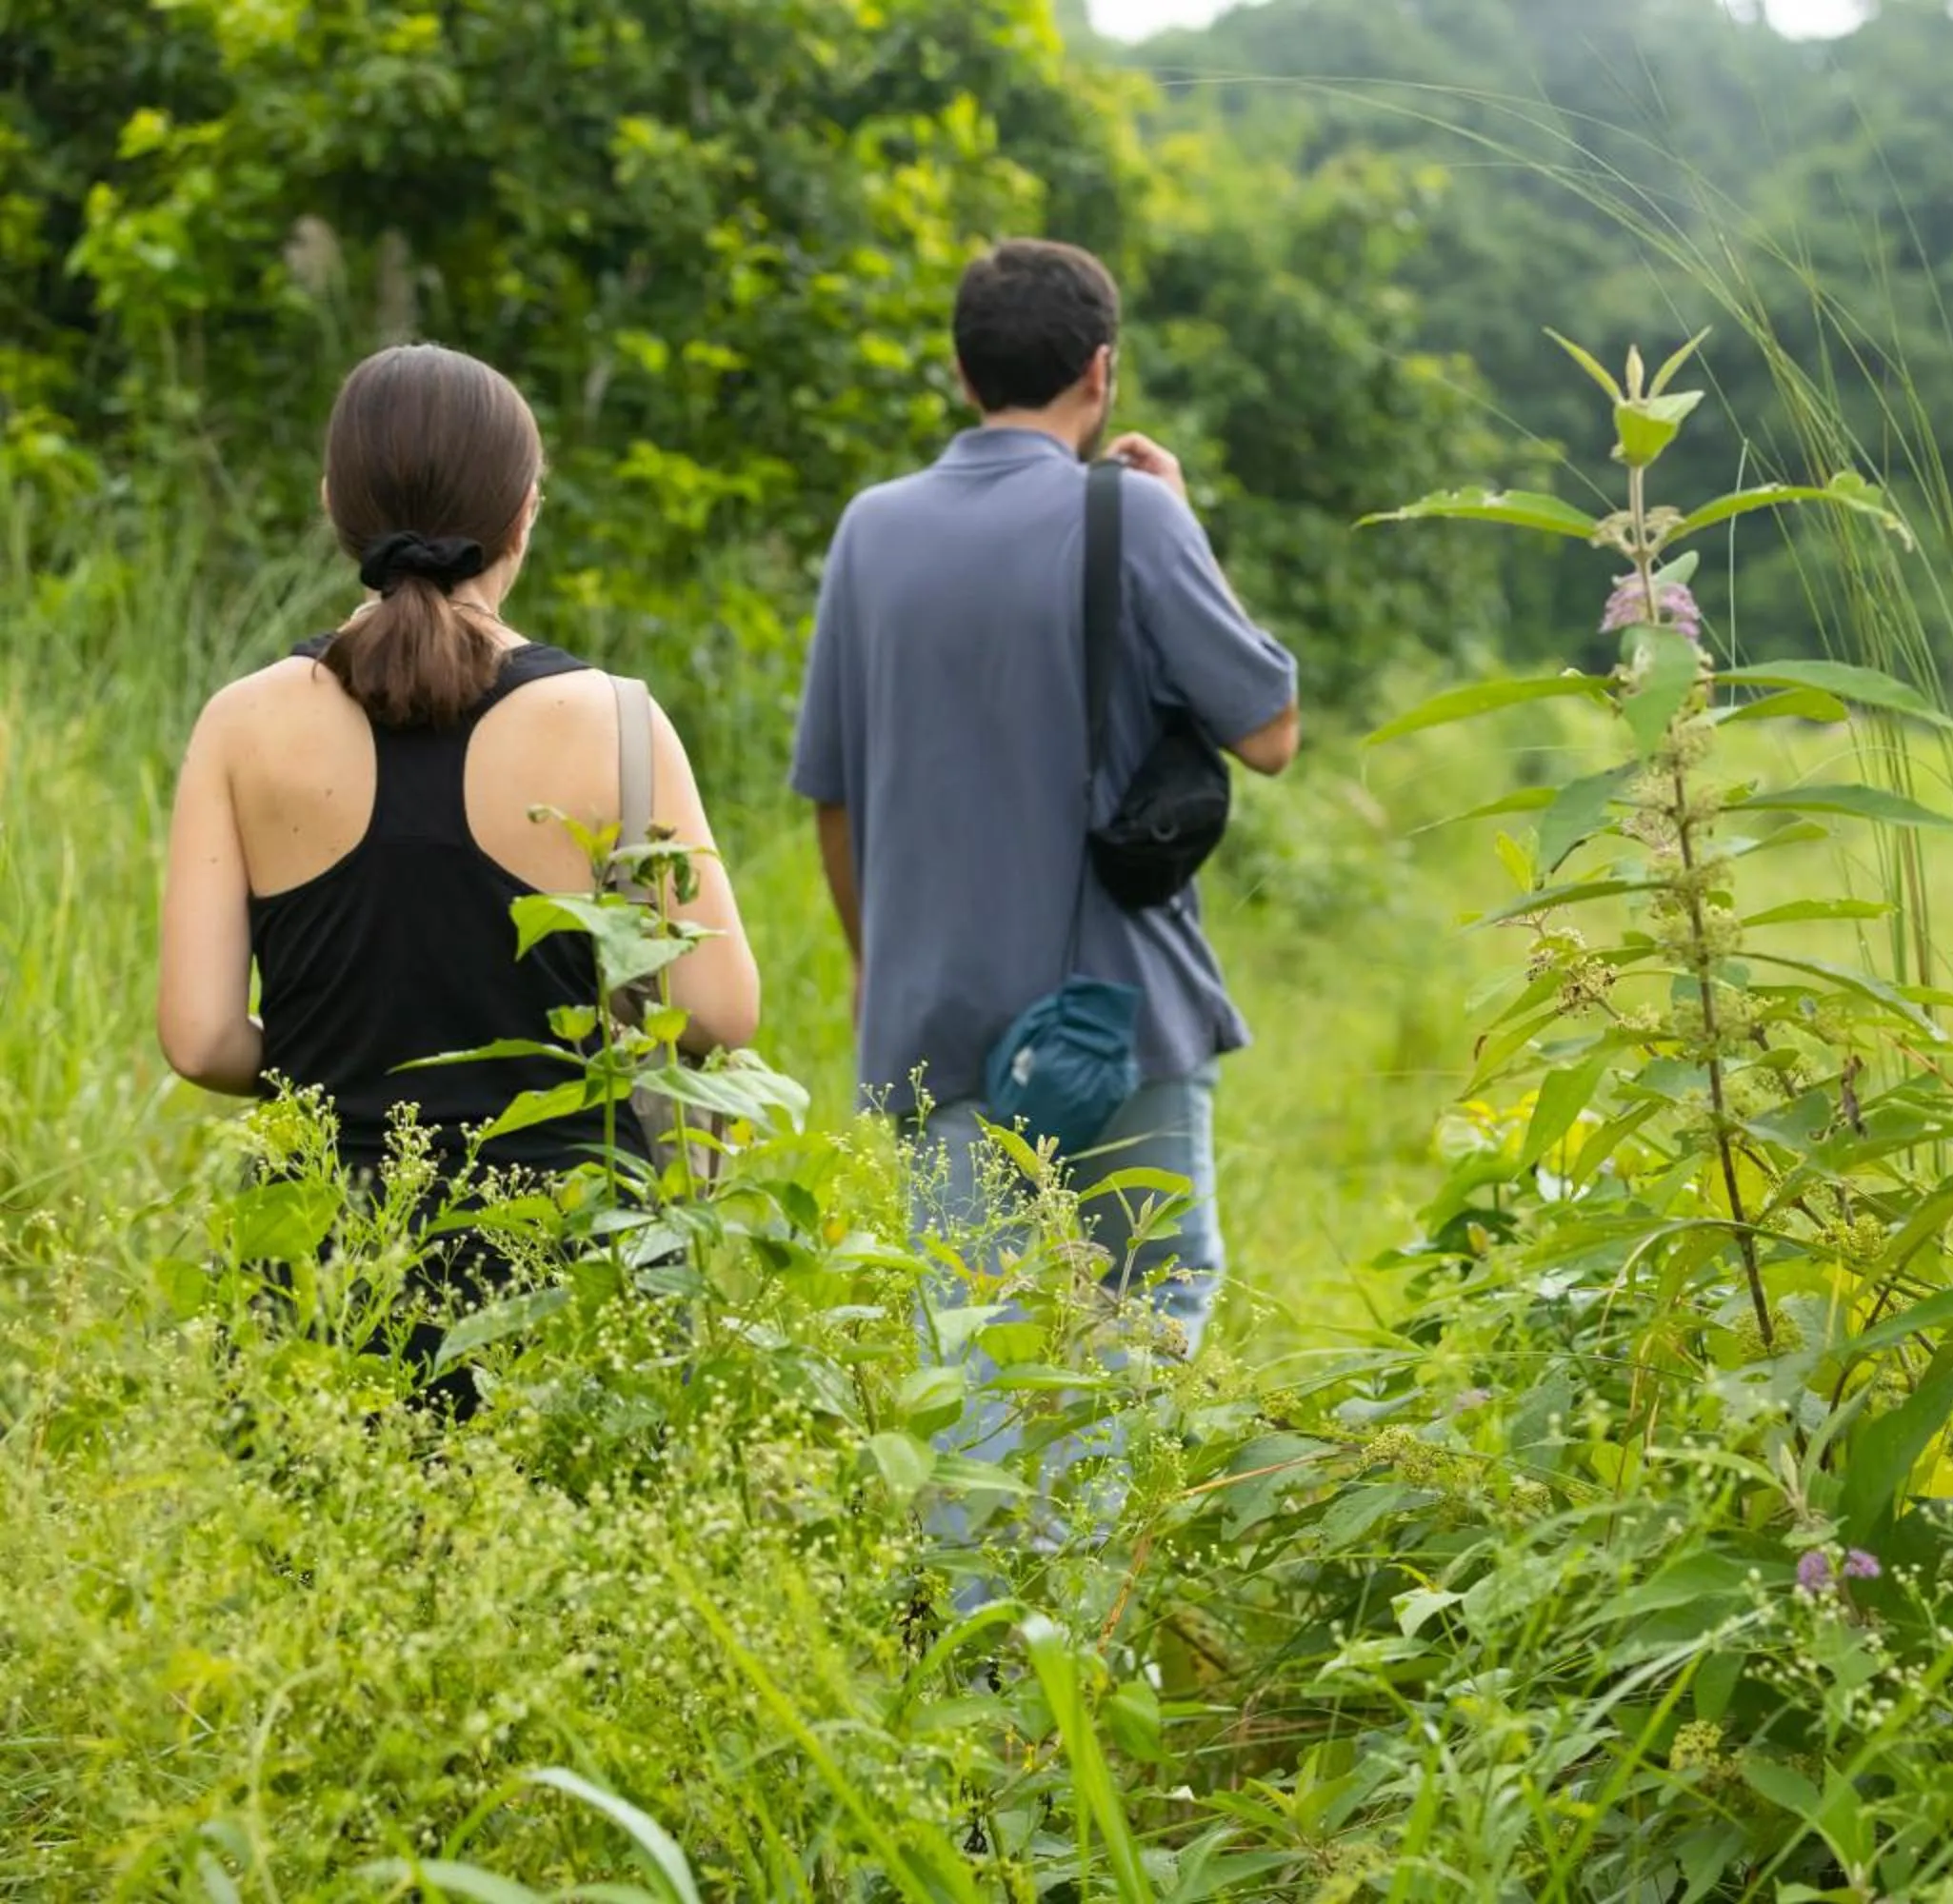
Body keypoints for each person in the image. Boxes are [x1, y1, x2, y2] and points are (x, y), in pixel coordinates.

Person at [158, 343, 760, 1389]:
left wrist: (350, 1069)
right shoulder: (615, 723)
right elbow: (717, 1013)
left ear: (333, 503)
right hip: (569, 1276)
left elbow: (202, 1035)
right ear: (525, 512)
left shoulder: (241, 724)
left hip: (321, 1270)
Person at [793, 237, 1299, 1359]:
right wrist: (1186, 528)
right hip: (1117, 1011)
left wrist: (880, 968)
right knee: (1139, 1316)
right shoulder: (1135, 517)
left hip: (936, 1019)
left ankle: (981, 1542)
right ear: (1100, 372)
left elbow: (832, 797)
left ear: (965, 376)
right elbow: (1269, 734)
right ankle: (1098, 1540)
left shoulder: (869, 531)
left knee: (973, 1345)